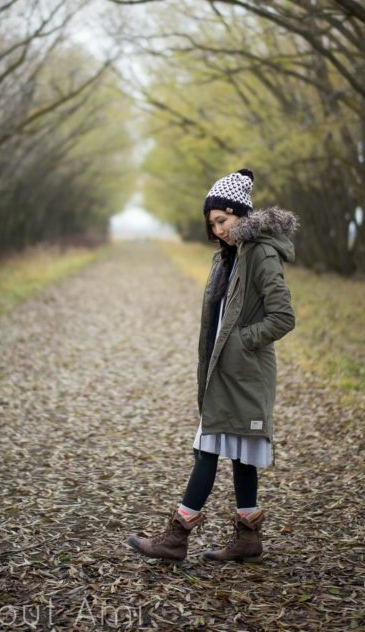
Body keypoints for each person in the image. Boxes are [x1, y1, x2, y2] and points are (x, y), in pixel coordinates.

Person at [127, 168, 299, 563]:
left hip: (245, 374)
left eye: (222, 220)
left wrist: (240, 342)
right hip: (224, 373)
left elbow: (283, 316)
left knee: (207, 447)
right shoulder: (231, 256)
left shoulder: (260, 253)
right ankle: (247, 540)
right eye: (213, 224)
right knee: (238, 453)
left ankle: (176, 537)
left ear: (239, 213)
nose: (218, 229)